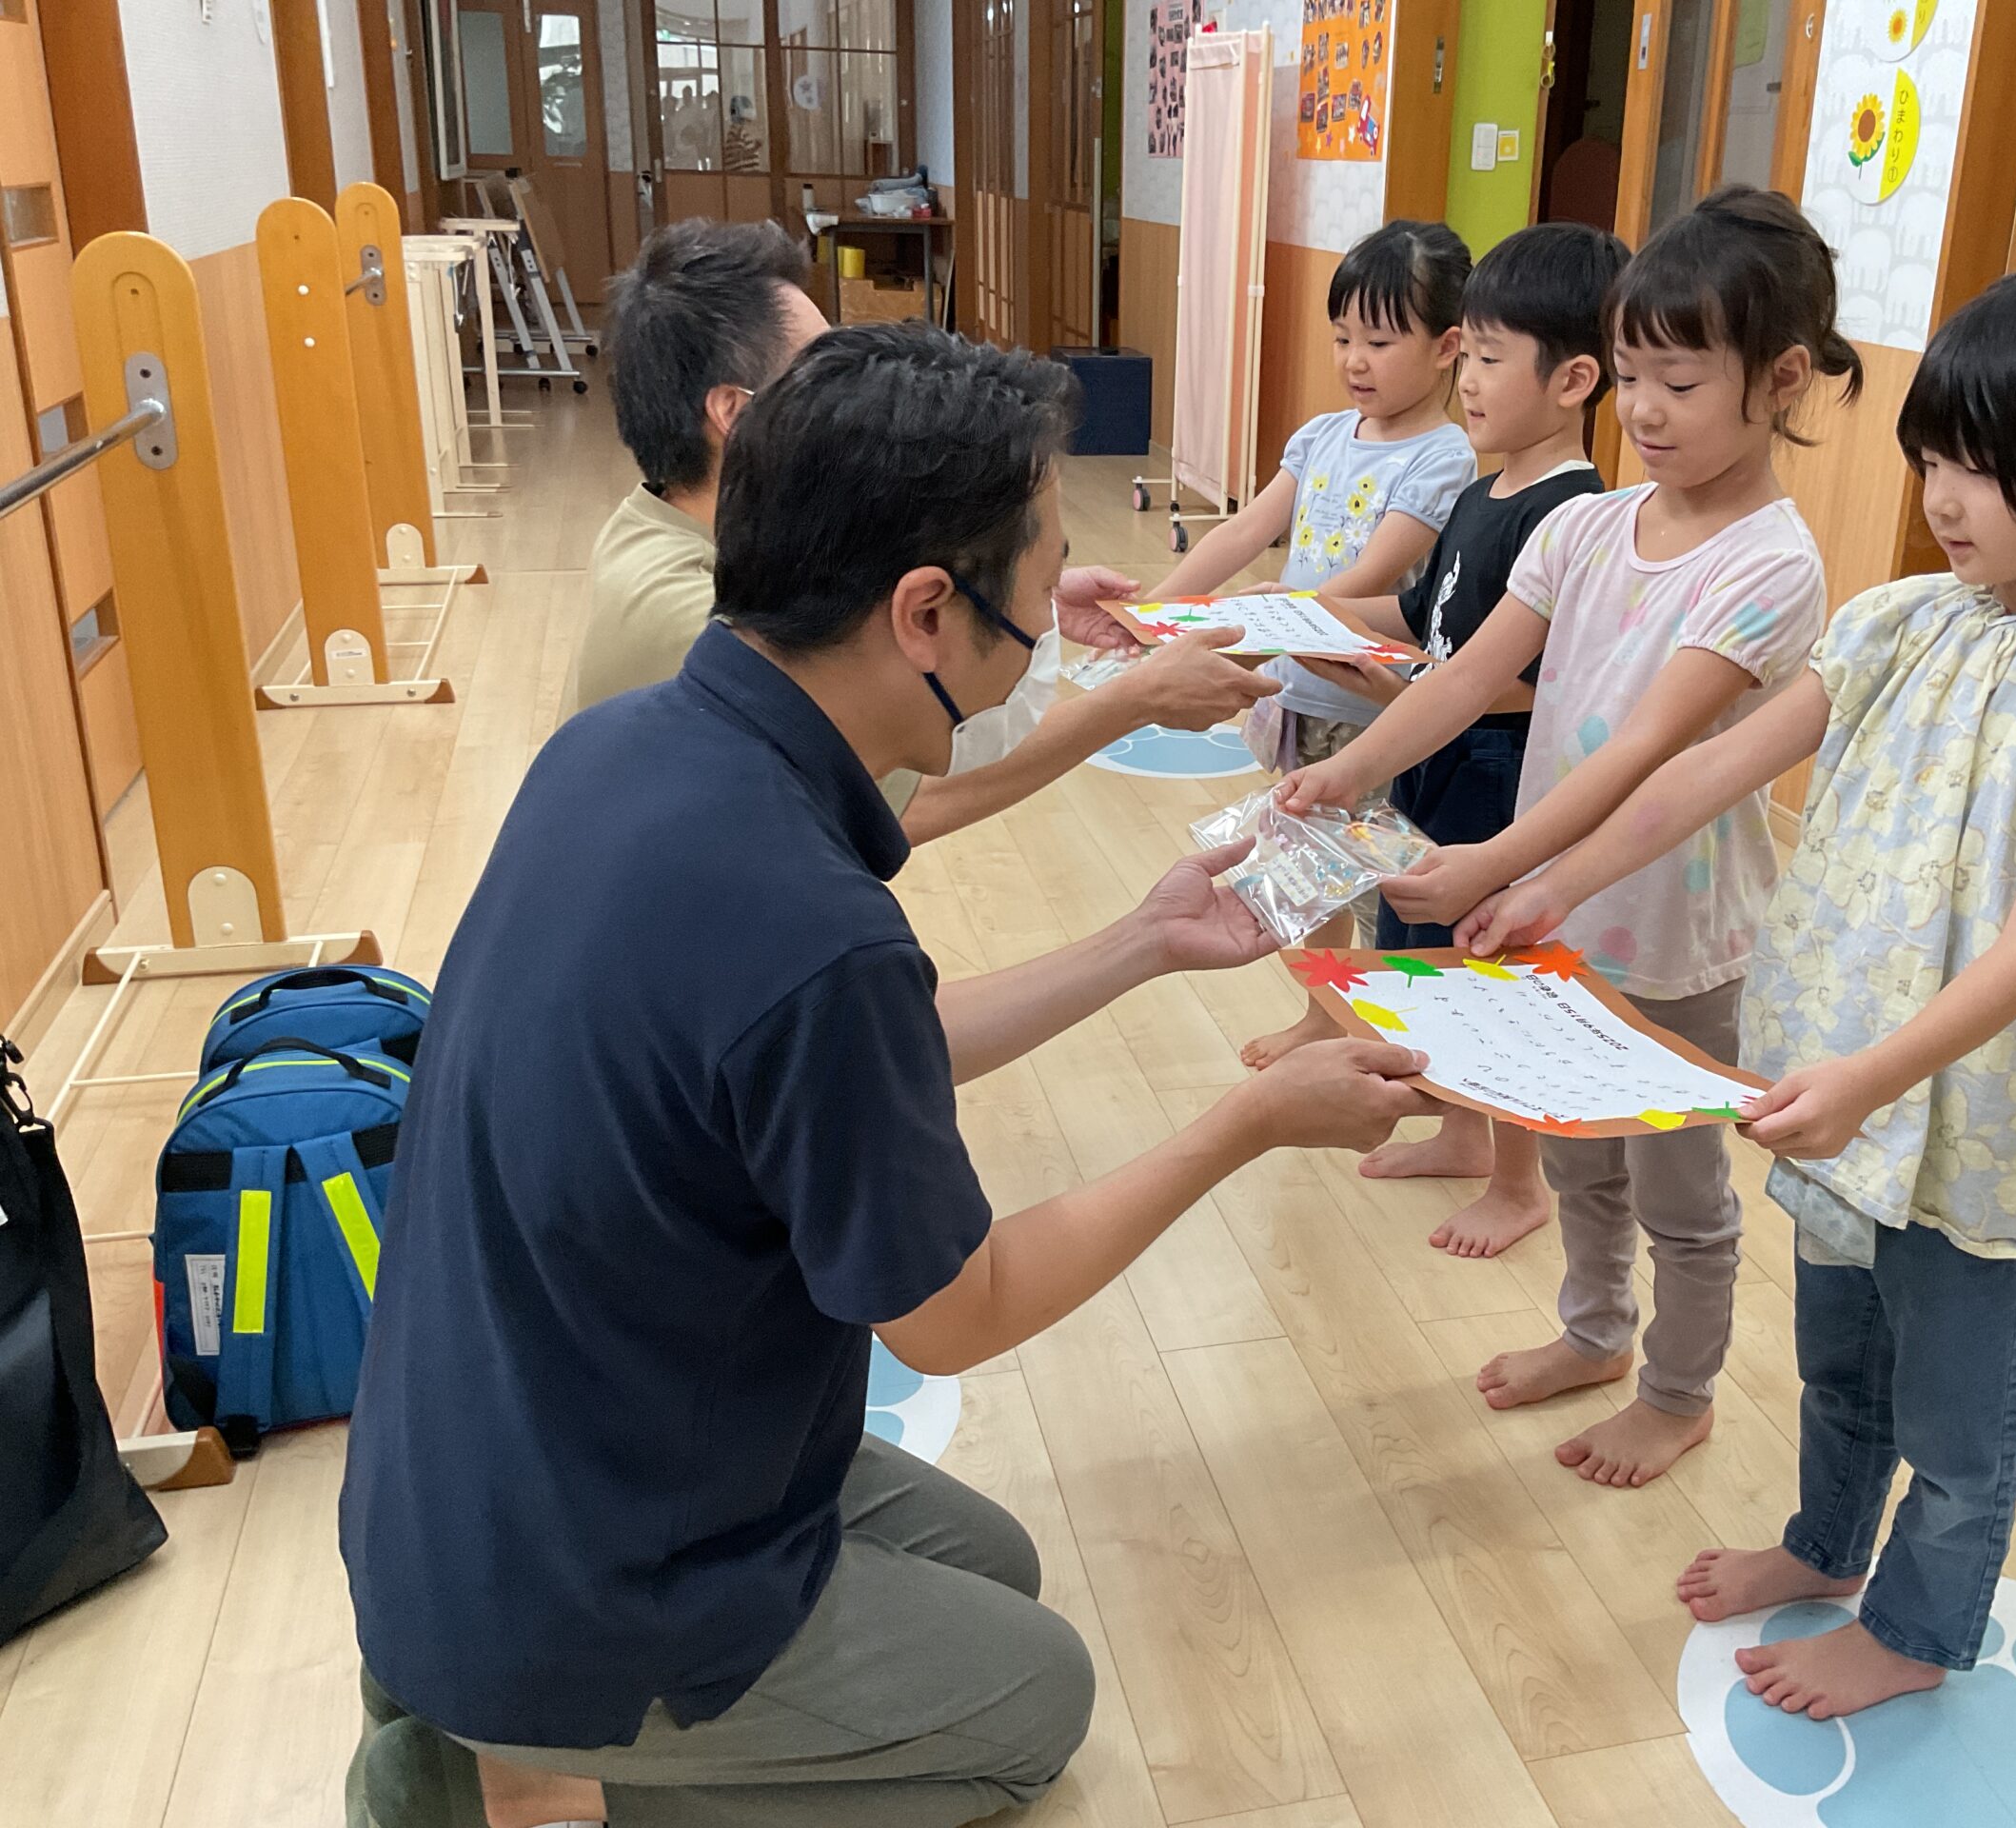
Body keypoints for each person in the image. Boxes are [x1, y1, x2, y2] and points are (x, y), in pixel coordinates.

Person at [339, 323, 1437, 1828]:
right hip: (580, 1559)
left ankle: (494, 1709)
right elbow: (958, 1308)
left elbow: (815, 1064)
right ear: (927, 612)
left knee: (996, 1570)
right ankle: (474, 1779)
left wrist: (1139, 943)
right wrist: (1247, 1121)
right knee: (1035, 1703)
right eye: (1040, 597)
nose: (1047, 635)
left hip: (494, 1457)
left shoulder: (623, 750)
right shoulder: (811, 923)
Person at [1462, 261, 2016, 1719]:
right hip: (1834, 1085)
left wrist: (1873, 1077)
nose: (1944, 497)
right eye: (1934, 458)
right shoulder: (1899, 621)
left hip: (1969, 1120)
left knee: (1957, 1409)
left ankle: (1916, 1630)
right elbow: (1703, 775)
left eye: (1983, 468)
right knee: (1841, 1355)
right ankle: (1824, 1544)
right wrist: (1551, 880)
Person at [1283, 187, 1858, 1488]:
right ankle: (1595, 1335)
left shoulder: (1771, 566)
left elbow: (1650, 748)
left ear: (1780, 381)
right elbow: (1463, 675)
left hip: (1675, 936)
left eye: (1681, 383)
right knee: (1581, 1161)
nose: (1644, 410)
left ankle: (1678, 1394)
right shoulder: (1584, 526)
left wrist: (1498, 863)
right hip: (1559, 915)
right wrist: (1348, 774)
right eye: (1633, 375)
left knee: (1679, 1196)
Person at [568, 218, 1275, 844]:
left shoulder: (681, 528)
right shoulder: (694, 624)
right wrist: (1138, 698)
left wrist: (1019, 597)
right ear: (736, 413)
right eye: (820, 373)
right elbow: (894, 797)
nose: (856, 392)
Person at [1253, 222, 1628, 1260]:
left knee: (1486, 974)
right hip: (1433, 752)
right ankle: (1463, 1134)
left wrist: (1404, 688)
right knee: (1414, 954)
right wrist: (1305, 619)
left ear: (1574, 381)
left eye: (1490, 359)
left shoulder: (1574, 514)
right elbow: (1425, 625)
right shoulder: (1480, 490)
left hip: (1496, 771)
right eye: (1468, 354)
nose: (1467, 379)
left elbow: (1524, 681)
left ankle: (1518, 1183)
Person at [1142, 219, 1476, 1046]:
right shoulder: (1322, 436)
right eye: (1342, 338)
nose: (1355, 360)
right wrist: (1155, 614)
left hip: (1369, 713)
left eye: (1380, 342)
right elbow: (1243, 530)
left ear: (1447, 347)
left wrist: (1264, 623)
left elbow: (1370, 579)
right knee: (1309, 873)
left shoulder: (1445, 458)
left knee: (1358, 882)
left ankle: (1360, 1025)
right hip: (1297, 697)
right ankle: (1321, 1018)